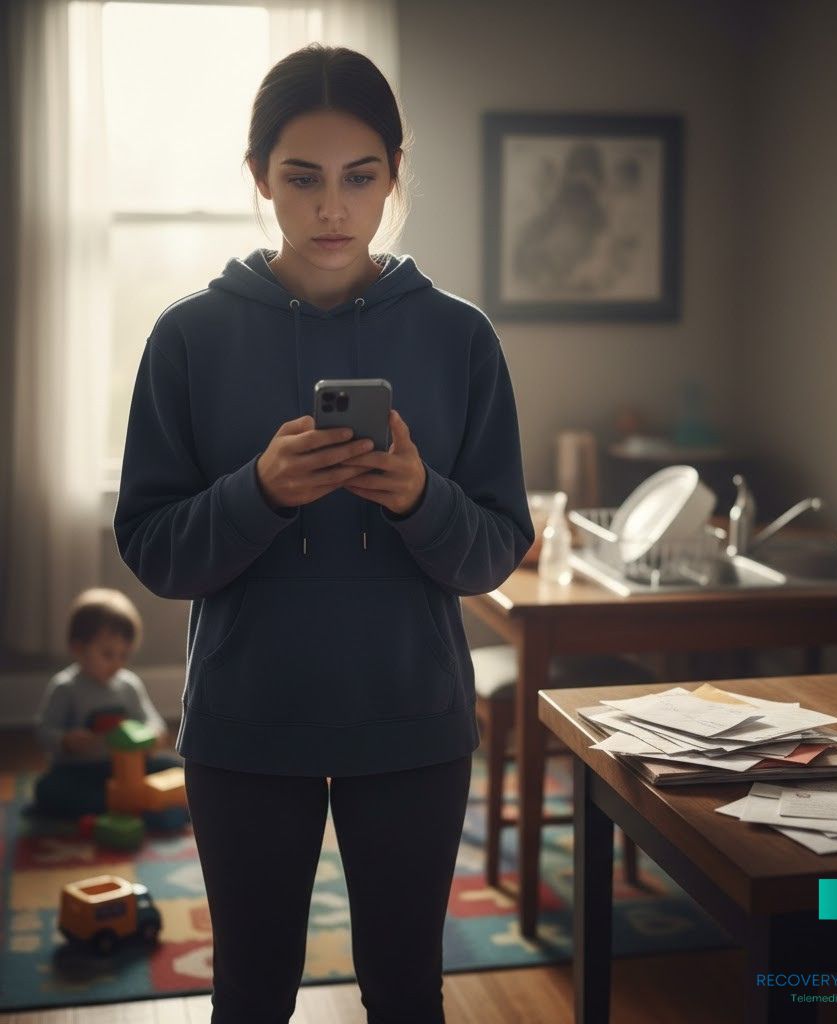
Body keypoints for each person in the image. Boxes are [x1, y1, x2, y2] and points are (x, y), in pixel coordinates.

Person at [112, 43, 533, 1024]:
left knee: (404, 992)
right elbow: (154, 549)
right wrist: (258, 490)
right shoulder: (187, 337)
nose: (331, 208)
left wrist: (421, 494)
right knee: (250, 991)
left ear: (394, 174)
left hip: (412, 721)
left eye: (360, 178)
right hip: (246, 725)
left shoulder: (461, 338)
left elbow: (492, 551)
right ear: (257, 177)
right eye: (301, 178)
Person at [30, 587, 181, 819]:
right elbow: (44, 729)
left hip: (126, 770)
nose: (117, 663)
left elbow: (151, 720)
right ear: (78, 649)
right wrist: (66, 740)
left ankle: (125, 803)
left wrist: (155, 735)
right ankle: (127, 805)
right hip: (79, 770)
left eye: (124, 655)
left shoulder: (128, 685)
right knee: (47, 790)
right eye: (108, 654)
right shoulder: (66, 687)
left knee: (177, 769)